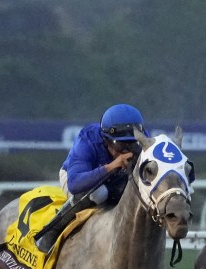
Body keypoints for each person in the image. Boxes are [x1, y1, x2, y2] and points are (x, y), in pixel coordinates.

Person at [34, 103, 147, 253]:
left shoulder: (142, 140)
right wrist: (112, 166)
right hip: (80, 179)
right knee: (99, 194)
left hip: (116, 181)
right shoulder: (87, 139)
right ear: (106, 139)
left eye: (132, 144)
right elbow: (75, 184)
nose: (126, 150)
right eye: (121, 145)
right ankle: (51, 232)